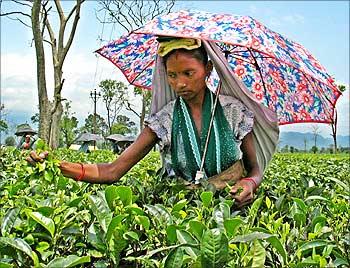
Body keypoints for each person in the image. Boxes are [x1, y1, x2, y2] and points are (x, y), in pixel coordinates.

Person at [27, 37, 279, 207]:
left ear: (208, 69)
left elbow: (255, 169)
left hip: (231, 211)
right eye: (172, 75)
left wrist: (248, 183)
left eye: (188, 73)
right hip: (183, 214)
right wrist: (57, 165)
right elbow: (112, 171)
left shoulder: (234, 112)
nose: (179, 83)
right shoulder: (165, 119)